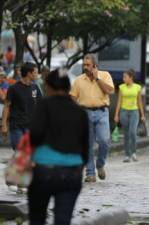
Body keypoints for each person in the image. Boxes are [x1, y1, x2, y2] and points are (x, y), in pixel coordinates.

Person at [29, 69, 89, 225]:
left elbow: (35, 135)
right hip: (72, 173)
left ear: (48, 87)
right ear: (68, 88)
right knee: (63, 219)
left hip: (44, 170)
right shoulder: (80, 112)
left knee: (37, 218)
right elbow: (86, 146)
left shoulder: (44, 106)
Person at [70, 54, 114, 183]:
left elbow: (110, 91)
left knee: (104, 140)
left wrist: (97, 78)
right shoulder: (78, 80)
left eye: (88, 65)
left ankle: (100, 164)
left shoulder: (105, 75)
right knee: (88, 144)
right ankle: (90, 173)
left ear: (95, 65)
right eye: (84, 64)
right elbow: (72, 96)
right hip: (85, 113)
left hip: (102, 112)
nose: (85, 67)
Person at [2, 62, 42, 150]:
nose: (37, 75)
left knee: (29, 152)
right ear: (28, 73)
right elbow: (7, 106)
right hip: (16, 126)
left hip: (31, 126)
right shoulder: (13, 88)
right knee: (19, 150)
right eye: (35, 72)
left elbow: (41, 106)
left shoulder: (35, 87)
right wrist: (4, 124)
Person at [114, 69, 145, 162]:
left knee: (132, 132)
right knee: (126, 134)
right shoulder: (121, 87)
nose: (123, 79)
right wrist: (116, 114)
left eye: (125, 77)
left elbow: (140, 102)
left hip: (134, 112)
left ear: (131, 77)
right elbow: (119, 102)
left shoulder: (137, 87)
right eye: (123, 77)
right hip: (124, 112)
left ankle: (134, 153)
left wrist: (142, 114)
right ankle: (127, 155)